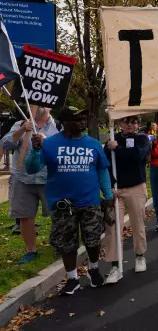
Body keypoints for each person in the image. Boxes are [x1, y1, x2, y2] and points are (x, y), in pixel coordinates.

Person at [27, 107, 112, 295]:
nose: (82, 122)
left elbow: (102, 171)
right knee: (67, 243)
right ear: (64, 123)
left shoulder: (94, 144)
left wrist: (108, 196)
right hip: (63, 204)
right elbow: (32, 168)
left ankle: (93, 268)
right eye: (77, 119)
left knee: (93, 238)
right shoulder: (49, 144)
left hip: (90, 201)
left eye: (84, 118)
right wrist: (34, 150)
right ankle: (72, 278)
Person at [1, 107, 59, 264]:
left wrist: (45, 141)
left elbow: (62, 150)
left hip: (49, 179)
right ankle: (31, 250)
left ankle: (60, 245)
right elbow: (5, 144)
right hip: (22, 178)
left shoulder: (58, 127)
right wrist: (21, 130)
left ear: (50, 105)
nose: (40, 106)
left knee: (58, 214)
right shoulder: (20, 124)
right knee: (25, 216)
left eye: (43, 103)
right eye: (36, 103)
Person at [103, 115, 150, 283]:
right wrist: (110, 186)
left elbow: (137, 156)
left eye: (133, 122)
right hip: (117, 190)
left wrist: (118, 149)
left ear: (138, 124)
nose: (130, 125)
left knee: (138, 223)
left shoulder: (142, 139)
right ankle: (115, 265)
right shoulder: (112, 140)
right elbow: (105, 165)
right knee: (114, 227)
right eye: (126, 122)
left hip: (135, 187)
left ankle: (139, 256)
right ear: (120, 123)